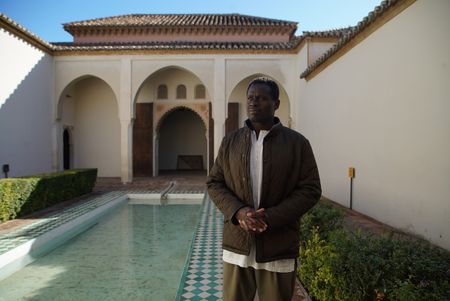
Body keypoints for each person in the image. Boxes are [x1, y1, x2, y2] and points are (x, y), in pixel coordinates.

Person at [206, 77, 322, 301]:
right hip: (237, 245)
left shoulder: (297, 144)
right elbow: (214, 183)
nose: (253, 103)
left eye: (261, 98)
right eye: (250, 98)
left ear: (276, 104)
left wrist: (268, 218)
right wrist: (239, 212)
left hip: (277, 244)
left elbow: (310, 189)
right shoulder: (230, 142)